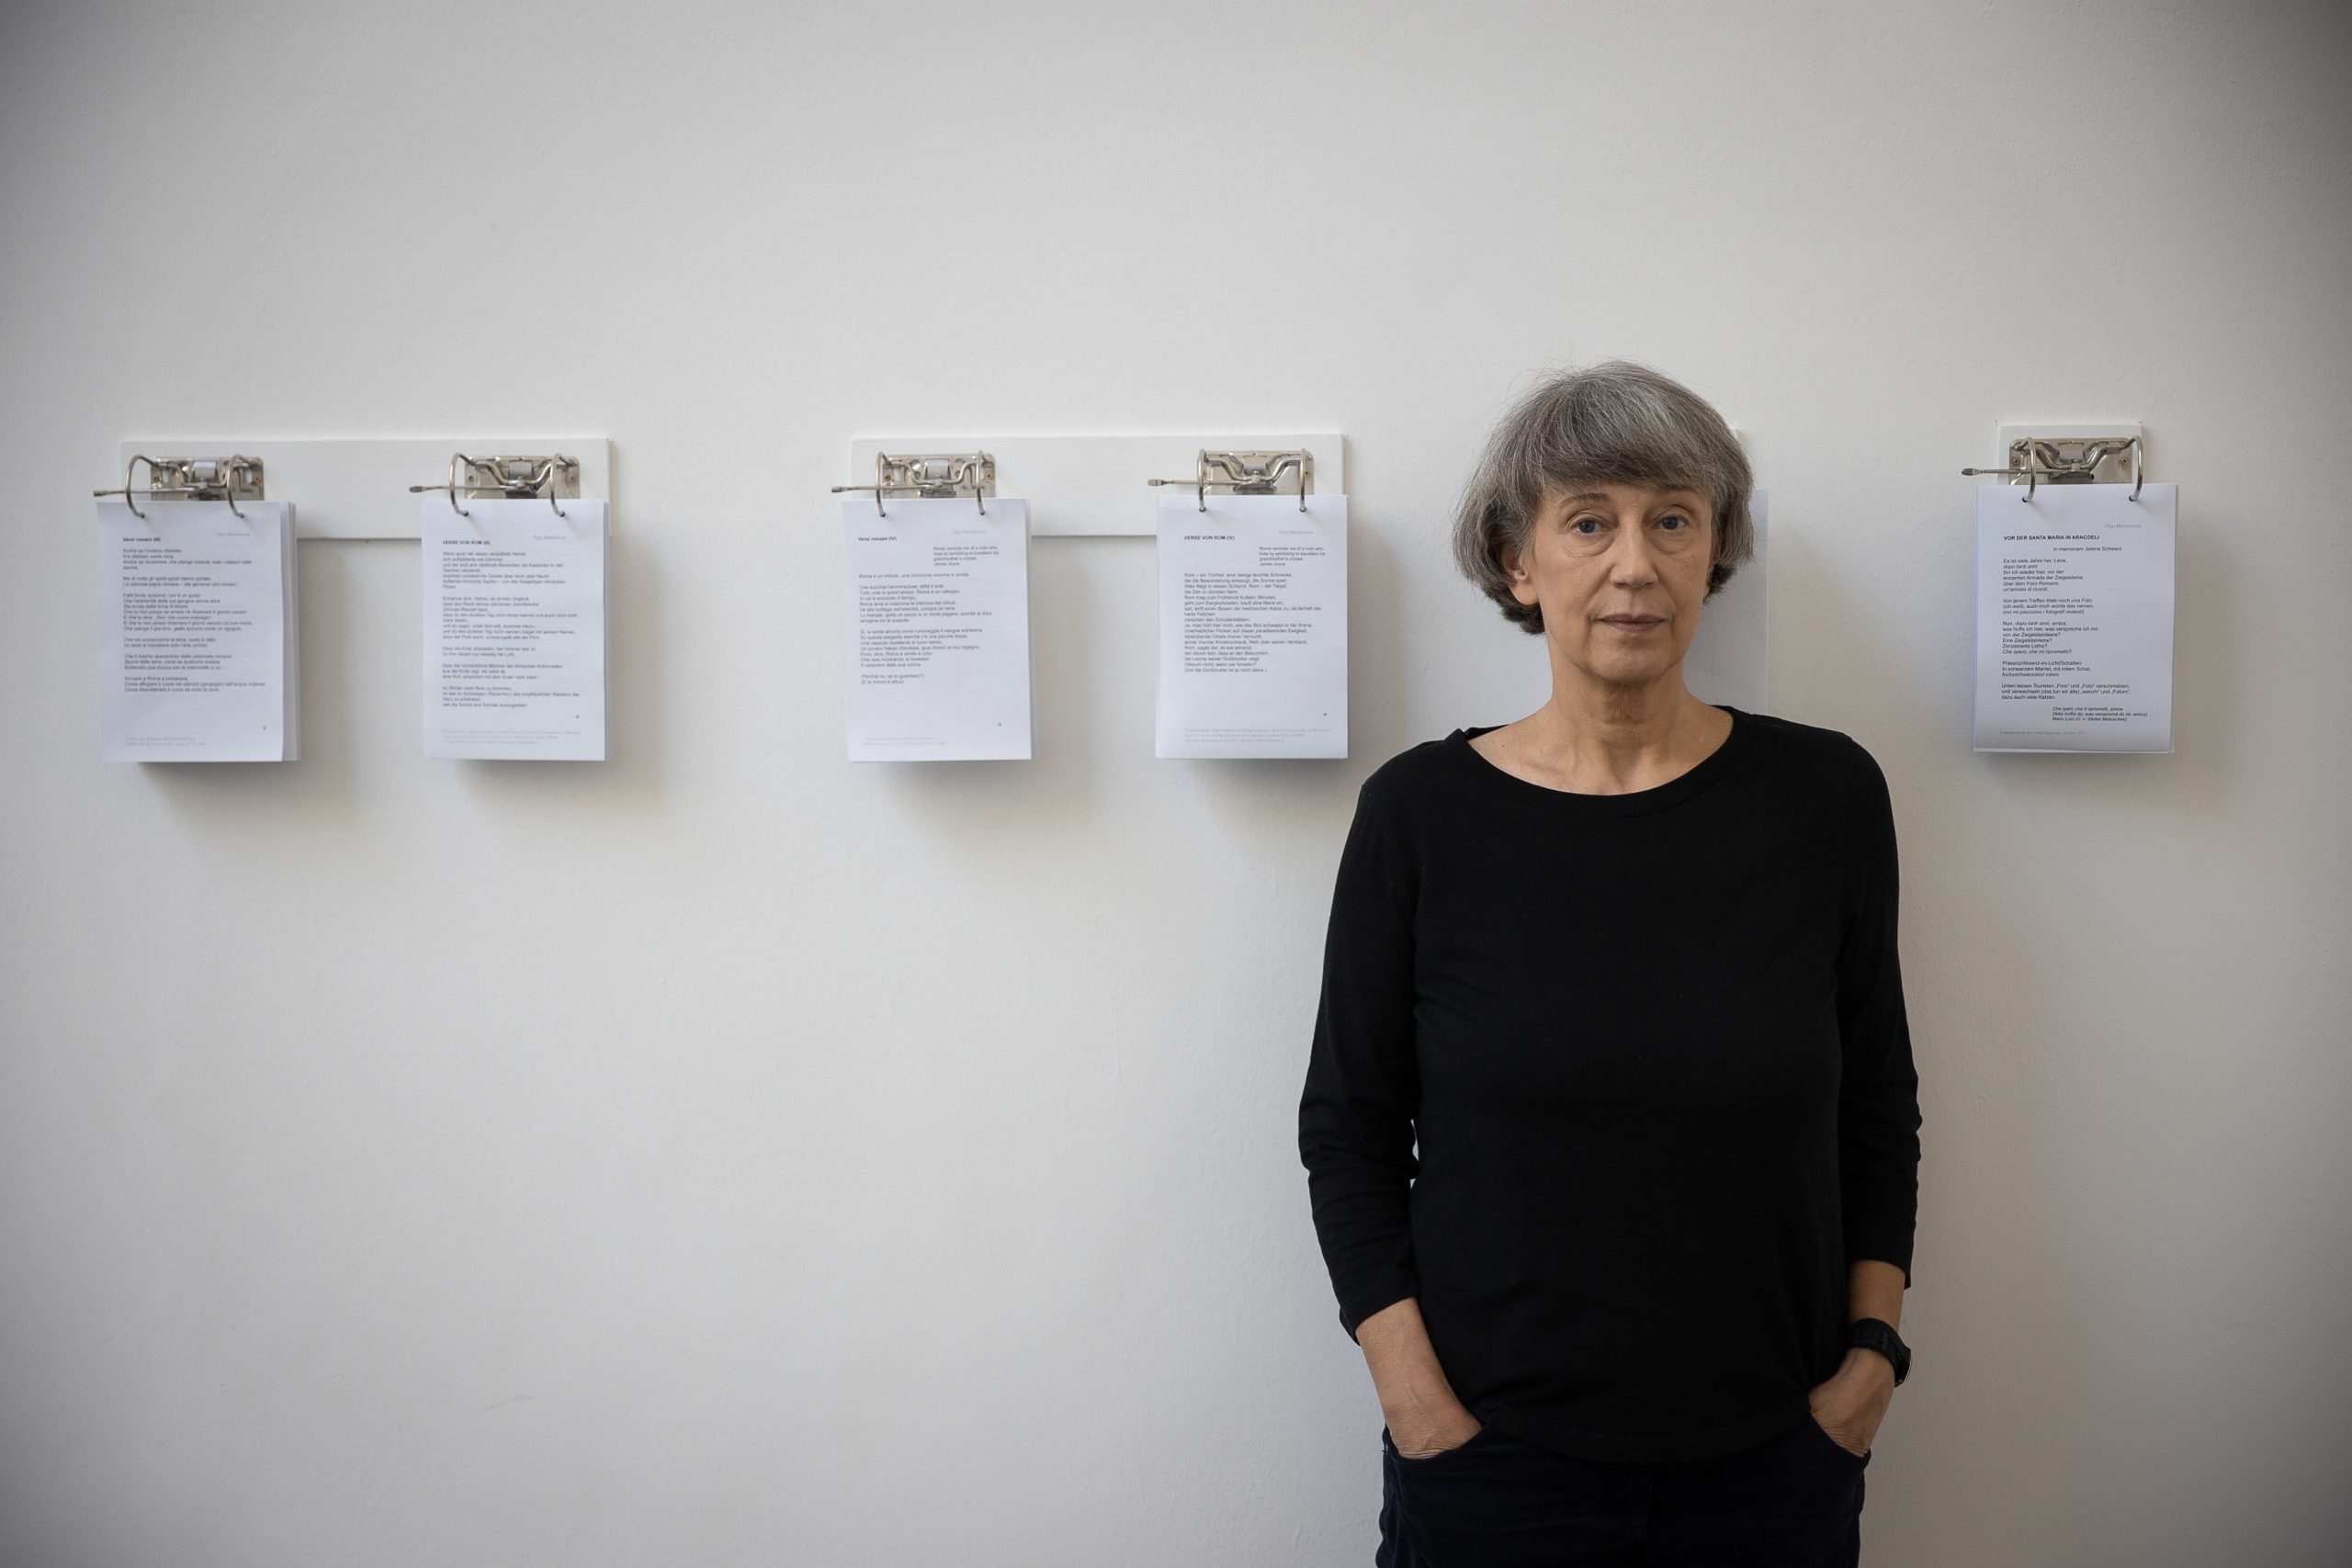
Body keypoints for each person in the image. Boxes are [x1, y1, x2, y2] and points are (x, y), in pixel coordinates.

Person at [1297, 361, 1924, 1566]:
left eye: (1672, 521)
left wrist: (1870, 1364)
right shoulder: (1420, 816)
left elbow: (1875, 1107)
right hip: (1492, 1469)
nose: (1635, 564)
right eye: (1589, 522)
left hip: (1773, 1465)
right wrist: (1418, 1405)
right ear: (1518, 562)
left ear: (1713, 552)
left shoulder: (1825, 799)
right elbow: (1349, 1128)